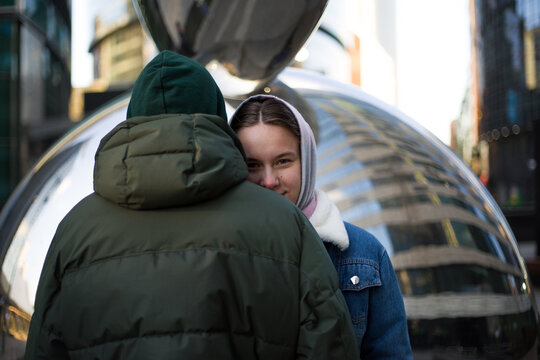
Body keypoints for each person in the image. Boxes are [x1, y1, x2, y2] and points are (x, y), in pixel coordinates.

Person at [25, 51, 359, 359]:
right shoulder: (285, 224)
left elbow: (45, 346)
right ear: (215, 116)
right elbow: (329, 343)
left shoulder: (75, 231)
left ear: (132, 121)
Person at [229, 94, 413, 359]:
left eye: (283, 161)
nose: (269, 181)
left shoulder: (365, 254)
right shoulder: (215, 250)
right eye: (252, 165)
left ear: (307, 162)